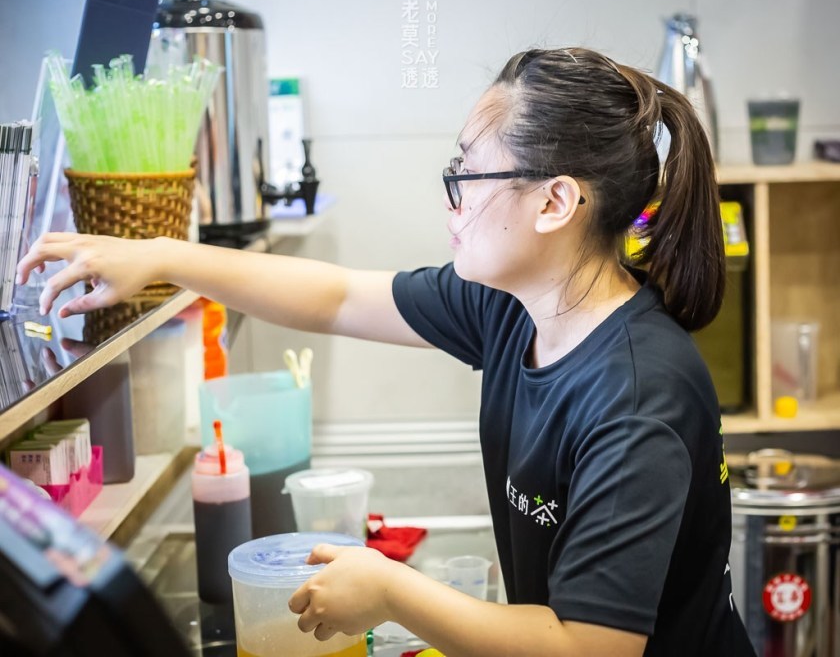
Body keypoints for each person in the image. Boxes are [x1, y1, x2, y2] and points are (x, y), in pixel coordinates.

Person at [17, 47, 756, 656]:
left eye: (467, 172)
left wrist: (390, 588)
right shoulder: (513, 309)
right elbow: (335, 297)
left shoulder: (635, 398)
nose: (452, 198)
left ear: (554, 203)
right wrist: (164, 256)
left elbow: (588, 648)